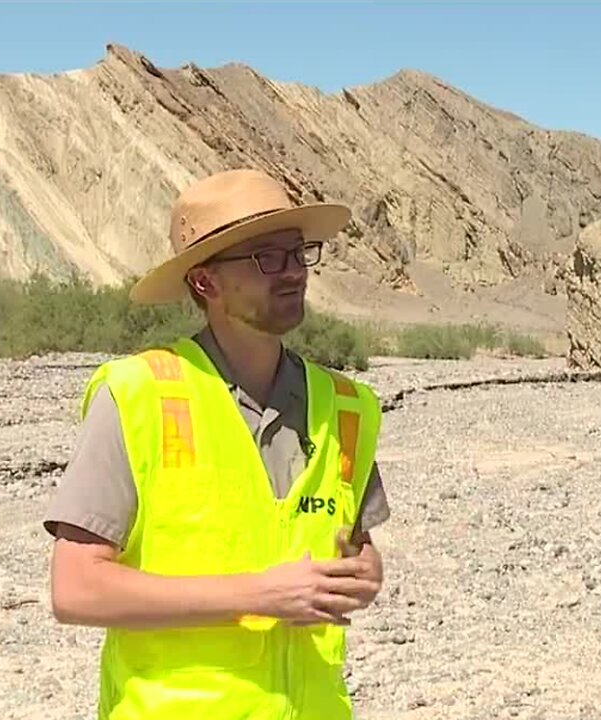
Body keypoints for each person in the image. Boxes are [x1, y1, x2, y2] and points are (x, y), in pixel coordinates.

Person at [44, 168, 391, 720]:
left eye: (300, 254)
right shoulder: (137, 396)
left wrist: (367, 574)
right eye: (266, 258)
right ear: (205, 283)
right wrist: (259, 597)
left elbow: (357, 545)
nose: (294, 273)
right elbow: (76, 588)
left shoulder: (348, 407)